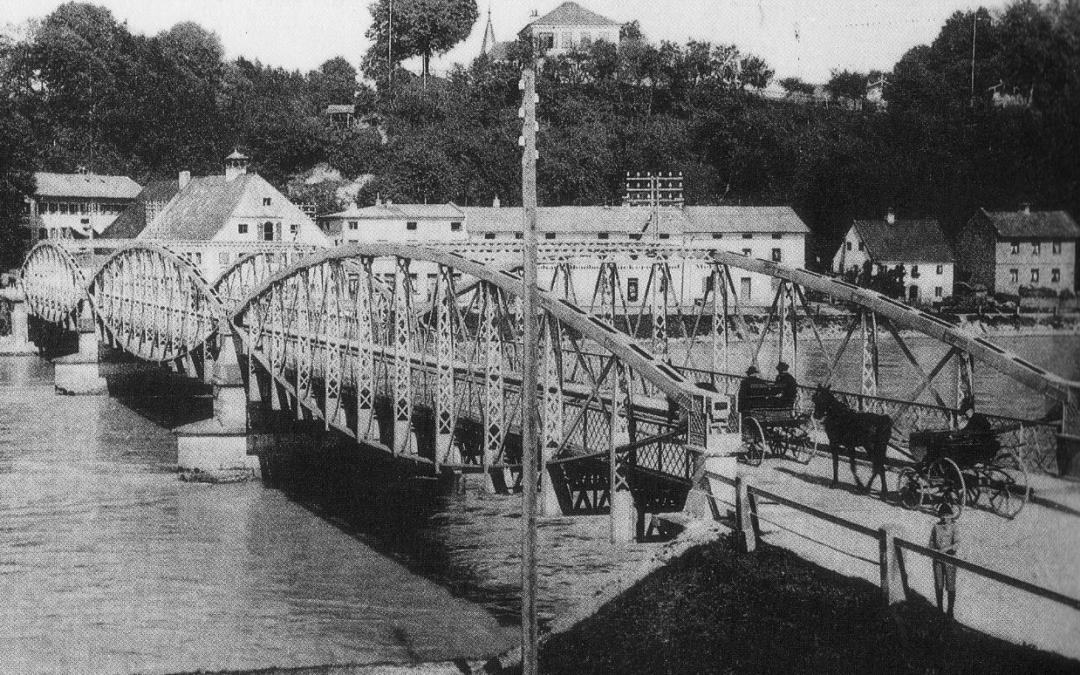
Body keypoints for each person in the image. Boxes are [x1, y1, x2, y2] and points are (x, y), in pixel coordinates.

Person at [929, 503, 960, 618]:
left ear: (951, 516)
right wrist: (932, 548)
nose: (944, 517)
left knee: (950, 586)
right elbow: (931, 542)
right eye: (942, 515)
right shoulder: (936, 527)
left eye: (947, 515)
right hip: (938, 560)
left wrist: (946, 549)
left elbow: (957, 543)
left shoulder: (954, 527)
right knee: (939, 584)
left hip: (950, 560)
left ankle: (950, 611)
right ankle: (939, 609)